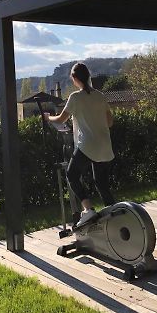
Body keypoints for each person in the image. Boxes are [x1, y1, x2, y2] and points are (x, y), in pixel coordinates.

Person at [45, 62, 115, 226]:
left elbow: (62, 119)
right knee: (101, 184)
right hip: (105, 145)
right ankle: (116, 218)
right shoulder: (100, 96)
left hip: (86, 145)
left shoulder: (75, 97)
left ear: (75, 78)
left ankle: (88, 210)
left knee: (71, 175)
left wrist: (49, 118)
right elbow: (110, 122)